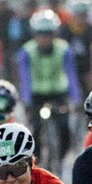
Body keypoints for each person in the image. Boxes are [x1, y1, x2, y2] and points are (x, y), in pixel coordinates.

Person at [16, 9, 81, 163]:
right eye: (41, 33)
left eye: (49, 33)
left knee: (64, 127)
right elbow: (24, 78)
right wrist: (26, 99)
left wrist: (76, 98)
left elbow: (72, 75)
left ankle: (60, 159)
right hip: (36, 95)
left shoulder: (64, 49)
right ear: (34, 33)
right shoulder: (26, 51)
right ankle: (36, 162)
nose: (44, 37)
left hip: (59, 94)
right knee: (35, 130)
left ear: (55, 33)